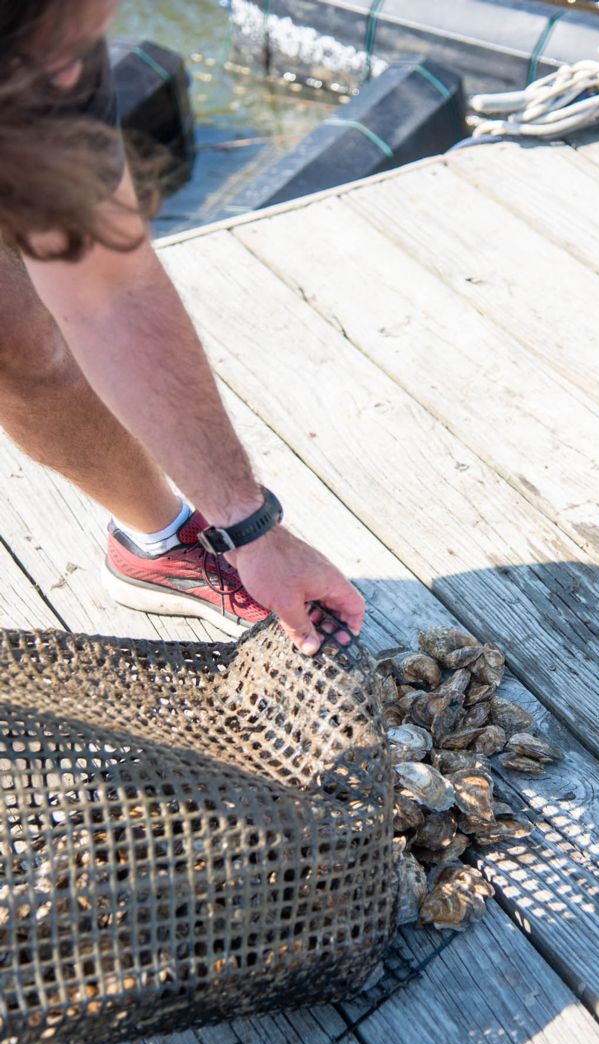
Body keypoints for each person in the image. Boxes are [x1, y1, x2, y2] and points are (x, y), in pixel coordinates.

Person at [0, 0, 365, 654]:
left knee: (23, 336)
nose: (69, 78)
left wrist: (247, 526)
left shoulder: (48, 48)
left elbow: (106, 291)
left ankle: (158, 543)